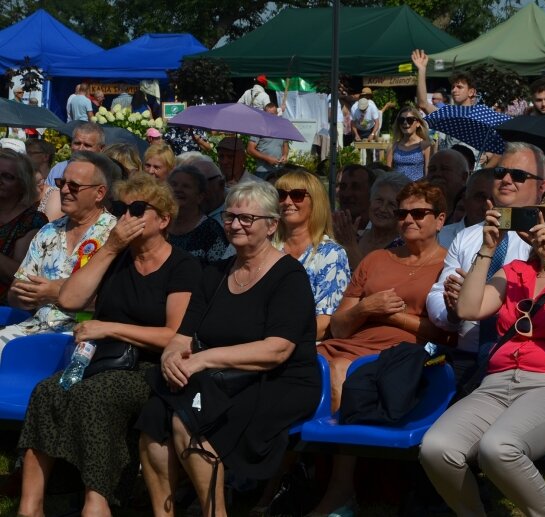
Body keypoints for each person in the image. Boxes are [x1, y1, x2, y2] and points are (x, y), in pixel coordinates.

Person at [420, 185, 545, 517]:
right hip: (497, 385)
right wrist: (487, 248)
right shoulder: (514, 273)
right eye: (543, 218)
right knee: (436, 448)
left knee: (499, 448)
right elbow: (468, 308)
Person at [16, 173, 198, 516]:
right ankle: (30, 507)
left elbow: (173, 334)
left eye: (138, 209)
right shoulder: (115, 256)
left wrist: (108, 328)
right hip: (102, 361)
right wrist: (111, 247)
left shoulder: (182, 267)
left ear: (163, 219)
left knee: (96, 396)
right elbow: (69, 299)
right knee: (46, 392)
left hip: (150, 367)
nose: (127, 217)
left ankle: (97, 503)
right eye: (122, 209)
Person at [137, 181, 320, 517]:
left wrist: (202, 360)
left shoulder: (289, 276)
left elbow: (277, 350)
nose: (235, 224)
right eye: (230, 217)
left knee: (189, 419)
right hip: (219, 375)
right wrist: (172, 357)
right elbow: (182, 333)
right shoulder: (216, 273)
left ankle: (214, 512)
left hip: (278, 380)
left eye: (247, 218)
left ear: (271, 225)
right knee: (154, 416)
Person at [310, 181, 450, 515]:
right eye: (403, 213)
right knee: (300, 362)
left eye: (419, 213)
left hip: (399, 355)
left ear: (440, 219)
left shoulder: (449, 265)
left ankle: (341, 488)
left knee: (344, 370)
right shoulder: (375, 259)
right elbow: (339, 325)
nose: (408, 220)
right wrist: (364, 309)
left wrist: (397, 316)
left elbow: (446, 335)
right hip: (345, 343)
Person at [426, 142, 545, 384]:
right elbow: (438, 292)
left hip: (522, 363)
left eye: (518, 175)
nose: (506, 179)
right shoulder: (467, 236)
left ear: (542, 186)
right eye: (499, 172)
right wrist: (451, 313)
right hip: (466, 358)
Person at [3, 152, 117, 348]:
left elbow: (116, 302)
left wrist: (54, 292)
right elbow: (15, 294)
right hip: (34, 329)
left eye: (74, 186)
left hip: (85, 337)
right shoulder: (48, 231)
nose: (64, 190)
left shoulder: (115, 235)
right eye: (61, 182)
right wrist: (25, 293)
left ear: (99, 193)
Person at [273, 170, 350, 340]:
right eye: (281, 194)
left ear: (316, 202)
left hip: (305, 346)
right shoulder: (266, 246)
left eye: (297, 195)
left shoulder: (331, 254)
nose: (287, 201)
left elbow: (325, 323)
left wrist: (277, 341)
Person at [0, 150, 48, 304]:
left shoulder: (31, 221)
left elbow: (21, 275)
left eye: (7, 176)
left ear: (22, 184)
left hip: (8, 308)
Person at [336, 172, 411, 269]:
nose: (383, 209)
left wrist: (350, 245)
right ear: (370, 201)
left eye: (392, 204)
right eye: (379, 200)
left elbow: (368, 279)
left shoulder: (402, 247)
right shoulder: (357, 236)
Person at [167, 165, 230, 264]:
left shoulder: (211, 230)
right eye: (174, 184)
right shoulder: (160, 224)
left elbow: (219, 270)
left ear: (200, 196)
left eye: (186, 186)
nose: (178, 189)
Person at [437, 168, 493, 249]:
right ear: (465, 199)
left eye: (494, 200)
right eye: (480, 197)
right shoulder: (440, 237)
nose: (486, 207)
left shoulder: (513, 242)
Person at [386, 107, 431, 181]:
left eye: (409, 120)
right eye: (401, 120)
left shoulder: (425, 145)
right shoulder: (393, 146)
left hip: (416, 189)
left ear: (418, 123)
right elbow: (388, 174)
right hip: (397, 189)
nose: (405, 123)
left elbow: (428, 173)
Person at [332, 164, 376, 240]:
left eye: (356, 187)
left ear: (372, 192)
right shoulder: (328, 228)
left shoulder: (382, 231)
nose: (347, 194)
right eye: (343, 187)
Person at [246, 102, 289, 178]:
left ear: (276, 114)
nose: (269, 117)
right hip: (263, 171)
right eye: (267, 115)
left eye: (272, 114)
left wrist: (285, 155)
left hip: (279, 169)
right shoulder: (259, 128)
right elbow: (250, 149)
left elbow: (285, 144)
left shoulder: (281, 128)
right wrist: (267, 158)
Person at [427, 149, 469, 217]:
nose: (437, 174)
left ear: (464, 177)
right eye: (432, 169)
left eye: (444, 169)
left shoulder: (470, 214)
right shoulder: (417, 206)